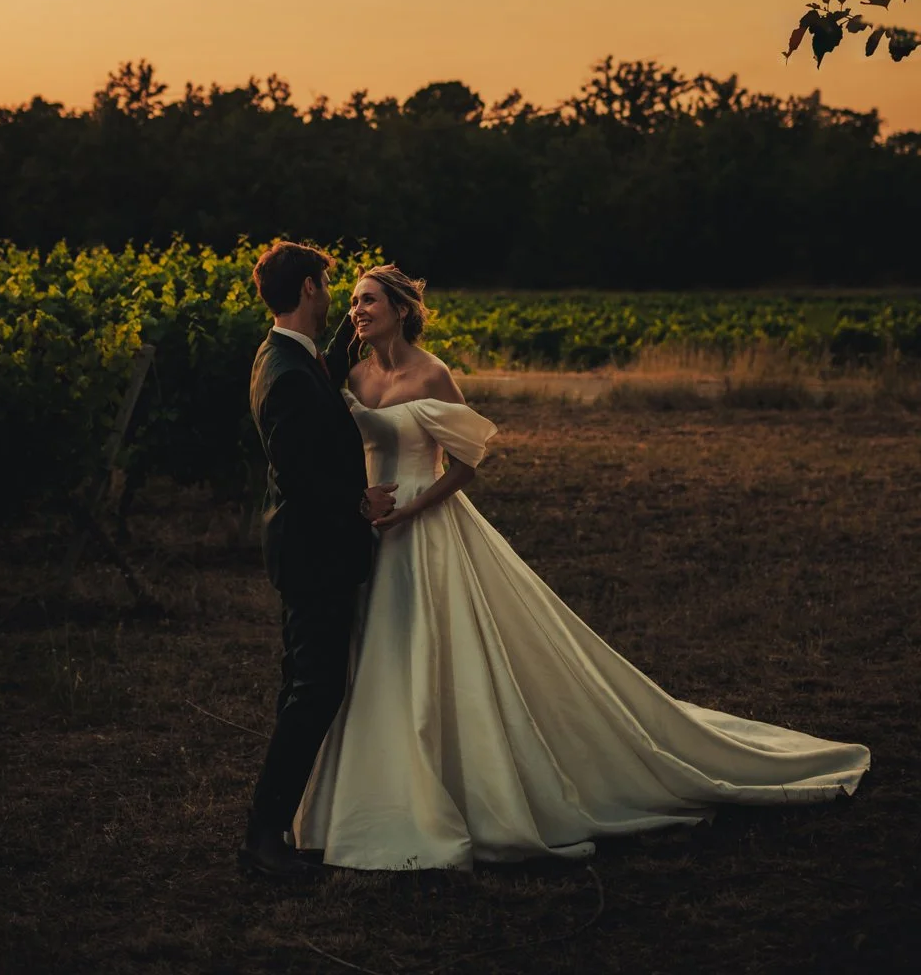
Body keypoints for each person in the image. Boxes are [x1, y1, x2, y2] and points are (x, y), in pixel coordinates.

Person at [295, 264, 871, 872]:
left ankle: (455, 789)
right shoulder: (352, 373)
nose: (358, 310)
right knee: (379, 657)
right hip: (372, 531)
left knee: (440, 650)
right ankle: (377, 790)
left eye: (370, 301)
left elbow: (467, 464)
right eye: (355, 301)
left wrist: (412, 507)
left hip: (424, 526)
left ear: (401, 309)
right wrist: (363, 506)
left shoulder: (432, 373)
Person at [240, 242, 398, 879]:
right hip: (315, 553)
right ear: (309, 288)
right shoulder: (284, 374)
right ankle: (262, 836)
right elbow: (300, 473)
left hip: (307, 550)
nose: (336, 294)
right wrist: (363, 500)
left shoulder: (289, 355)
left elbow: (321, 386)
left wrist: (357, 322)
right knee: (316, 690)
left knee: (299, 685)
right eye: (331, 286)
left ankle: (274, 825)